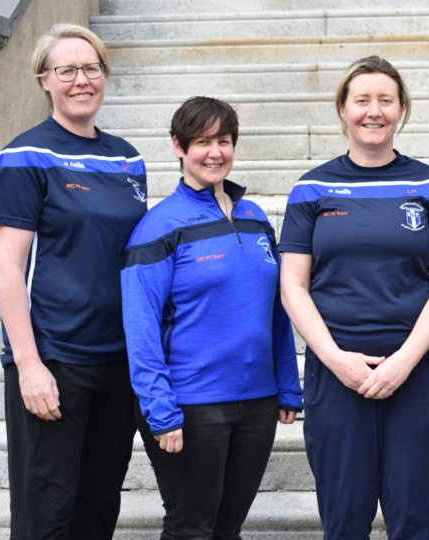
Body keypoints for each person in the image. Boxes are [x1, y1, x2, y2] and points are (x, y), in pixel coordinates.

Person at [278, 55, 429, 539]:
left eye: (386, 100)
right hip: (336, 372)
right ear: (343, 108)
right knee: (344, 520)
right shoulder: (311, 189)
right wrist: (337, 360)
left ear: (401, 108)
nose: (373, 111)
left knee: (412, 520)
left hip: (416, 372)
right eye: (362, 100)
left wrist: (403, 361)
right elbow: (293, 285)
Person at [0, 23, 147, 539]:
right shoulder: (23, 157)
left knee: (98, 510)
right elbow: (8, 266)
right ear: (44, 80)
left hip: (116, 361)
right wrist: (28, 365)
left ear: (105, 76)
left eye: (91, 68)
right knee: (47, 516)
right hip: (54, 360)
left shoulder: (128, 159)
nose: (81, 80)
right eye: (67, 70)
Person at [120, 96, 303, 539]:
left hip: (257, 402)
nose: (215, 152)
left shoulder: (255, 217)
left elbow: (277, 310)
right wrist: (160, 409)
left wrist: (287, 385)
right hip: (191, 404)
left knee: (228, 527)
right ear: (178, 147)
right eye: (202, 141)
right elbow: (140, 324)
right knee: (191, 528)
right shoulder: (159, 226)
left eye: (223, 140)